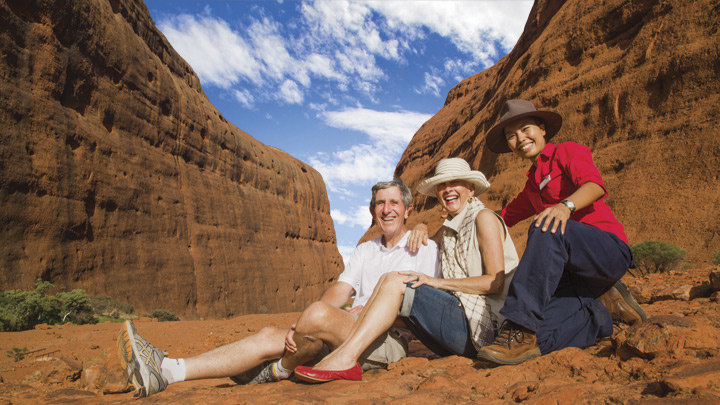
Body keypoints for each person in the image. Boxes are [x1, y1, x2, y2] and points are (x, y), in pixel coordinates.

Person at [117, 178, 440, 398]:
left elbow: (420, 309)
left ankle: (280, 370)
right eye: (380, 203)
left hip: (386, 342)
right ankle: (168, 371)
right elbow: (342, 290)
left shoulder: (423, 249)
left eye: (394, 203)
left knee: (315, 316)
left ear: (408, 210)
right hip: (346, 329)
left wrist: (339, 315)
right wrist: (307, 323)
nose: (387, 209)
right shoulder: (365, 250)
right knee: (271, 334)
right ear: (373, 210)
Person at [292, 158, 519, 383]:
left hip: (486, 330)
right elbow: (426, 242)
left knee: (396, 280)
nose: (448, 189)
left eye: (455, 183)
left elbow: (495, 282)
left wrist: (436, 282)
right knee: (390, 278)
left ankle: (345, 359)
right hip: (457, 327)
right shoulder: (450, 228)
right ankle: (338, 358)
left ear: (470, 189)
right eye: (442, 185)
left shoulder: (485, 218)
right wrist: (420, 226)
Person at [472, 99, 647, 365]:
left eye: (525, 128)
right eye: (511, 136)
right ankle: (601, 314)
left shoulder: (567, 151)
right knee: (536, 338)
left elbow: (594, 185)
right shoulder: (532, 186)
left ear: (542, 129)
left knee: (546, 225)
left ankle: (518, 326)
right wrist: (457, 218)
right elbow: (501, 218)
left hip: (606, 251)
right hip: (575, 278)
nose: (519, 138)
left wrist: (565, 206)